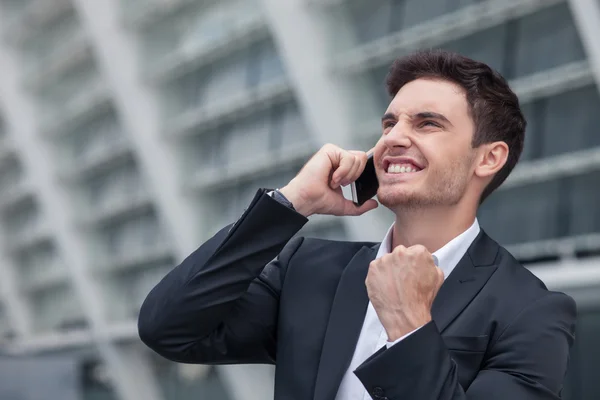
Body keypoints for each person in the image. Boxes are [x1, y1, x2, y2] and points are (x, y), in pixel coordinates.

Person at [138, 49, 576, 399]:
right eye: (390, 122)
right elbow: (169, 328)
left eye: (427, 123)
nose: (393, 137)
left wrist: (409, 326)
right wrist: (292, 203)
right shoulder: (308, 268)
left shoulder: (531, 312)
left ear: (489, 157)